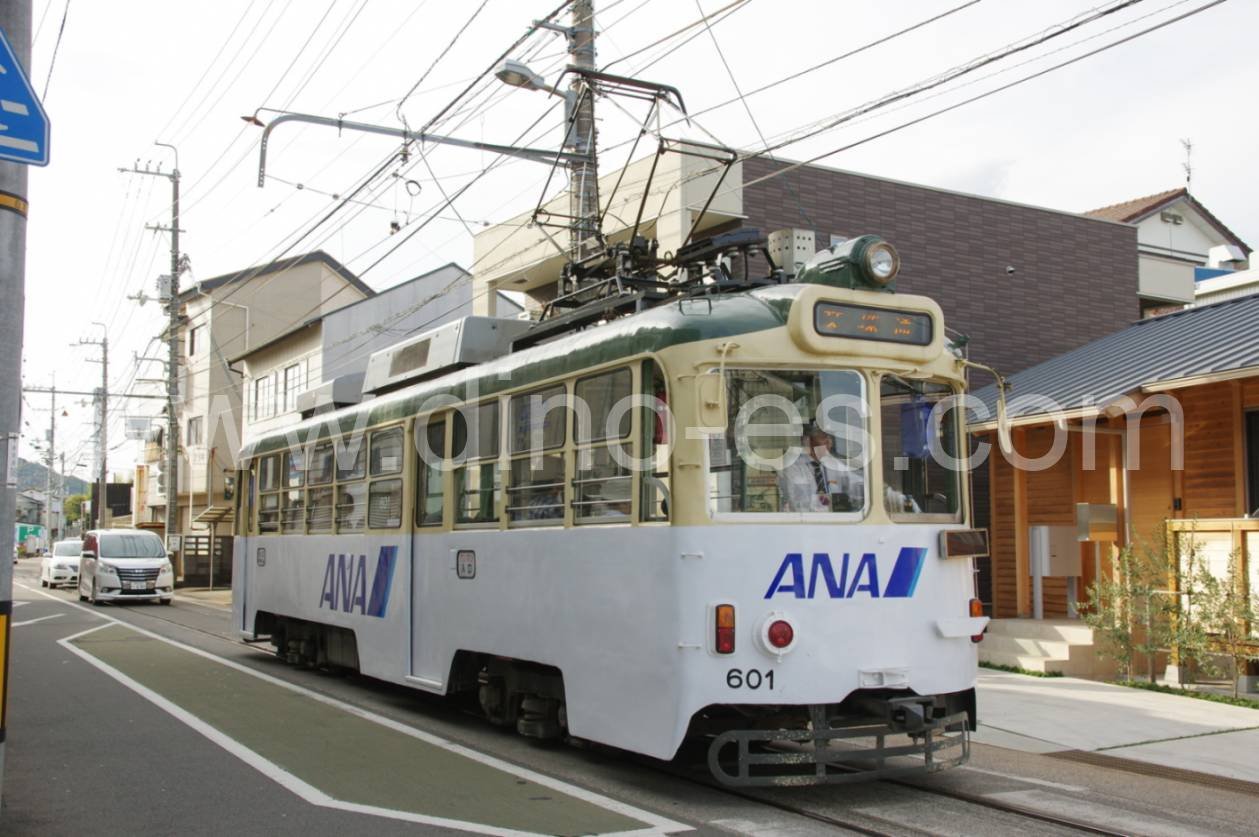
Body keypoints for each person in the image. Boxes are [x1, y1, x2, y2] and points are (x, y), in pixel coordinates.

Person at [778, 426, 864, 513]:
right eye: (823, 437)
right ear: (808, 441)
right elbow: (798, 503)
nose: (829, 441)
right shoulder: (794, 467)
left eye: (830, 438)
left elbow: (857, 483)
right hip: (806, 520)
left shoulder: (833, 463)